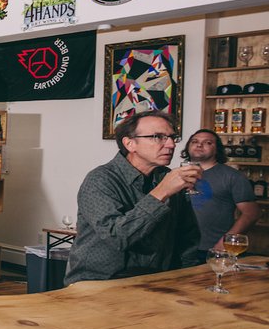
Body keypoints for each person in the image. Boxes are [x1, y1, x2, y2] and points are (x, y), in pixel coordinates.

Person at [65, 111, 202, 285]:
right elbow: (117, 237)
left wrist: (188, 280)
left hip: (155, 281)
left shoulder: (166, 178)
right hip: (99, 283)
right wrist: (162, 192)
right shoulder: (100, 179)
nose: (171, 144)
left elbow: (187, 236)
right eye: (158, 137)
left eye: (172, 137)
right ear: (130, 144)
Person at [181, 129, 258, 255]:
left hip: (213, 248)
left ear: (217, 149)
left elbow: (251, 213)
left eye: (208, 143)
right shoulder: (176, 175)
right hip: (180, 248)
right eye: (194, 141)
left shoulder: (233, 176)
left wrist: (225, 241)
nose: (199, 145)